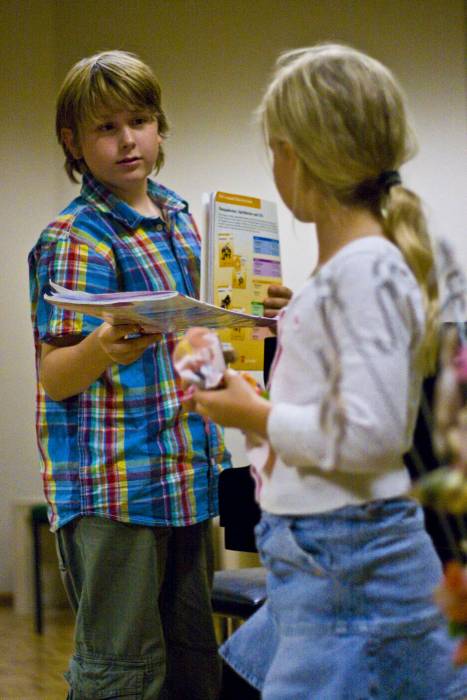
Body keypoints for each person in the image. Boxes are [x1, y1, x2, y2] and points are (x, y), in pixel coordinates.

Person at [186, 44, 467, 698]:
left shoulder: (363, 271)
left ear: (301, 156)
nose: (274, 165)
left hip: (345, 562)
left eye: (275, 150)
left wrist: (250, 415)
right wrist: (252, 405)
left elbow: (368, 436)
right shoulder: (343, 273)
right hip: (324, 559)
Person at [28, 50, 232, 700]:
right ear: (73, 141)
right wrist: (106, 345)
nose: (126, 142)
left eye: (138, 122)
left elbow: (203, 341)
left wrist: (255, 313)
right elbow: (56, 377)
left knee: (195, 669)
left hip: (188, 476)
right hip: (115, 490)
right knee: (122, 679)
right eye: (105, 128)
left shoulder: (180, 218)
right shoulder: (74, 237)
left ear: (159, 126)